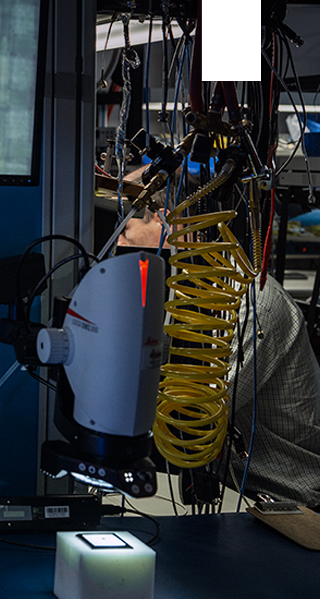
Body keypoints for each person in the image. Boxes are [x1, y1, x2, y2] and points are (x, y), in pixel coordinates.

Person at [116, 168, 320, 508]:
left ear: (171, 220)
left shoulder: (247, 303)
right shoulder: (181, 293)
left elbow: (189, 418)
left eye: (124, 226)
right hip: (225, 488)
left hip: (284, 502)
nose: (118, 239)